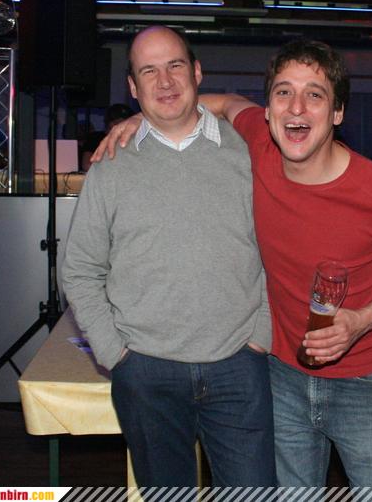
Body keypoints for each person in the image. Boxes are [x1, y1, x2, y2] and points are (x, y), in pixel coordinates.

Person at [94, 39, 372, 487]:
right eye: (283, 92)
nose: (296, 107)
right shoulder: (258, 144)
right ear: (268, 109)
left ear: (338, 112)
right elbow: (223, 103)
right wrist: (148, 116)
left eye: (315, 94)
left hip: (367, 381)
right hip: (281, 377)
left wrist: (362, 320)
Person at [62, 26, 275, 487]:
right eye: (148, 71)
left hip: (239, 365)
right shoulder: (111, 166)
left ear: (197, 72)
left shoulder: (247, 151)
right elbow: (79, 269)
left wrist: (261, 334)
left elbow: (278, 248)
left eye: (175, 65)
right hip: (146, 371)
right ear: (133, 87)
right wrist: (116, 354)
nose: (164, 81)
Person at [80, 103, 135, 171]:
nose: (122, 126)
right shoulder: (95, 138)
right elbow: (87, 165)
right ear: (109, 124)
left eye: (125, 122)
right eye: (117, 122)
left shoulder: (133, 140)